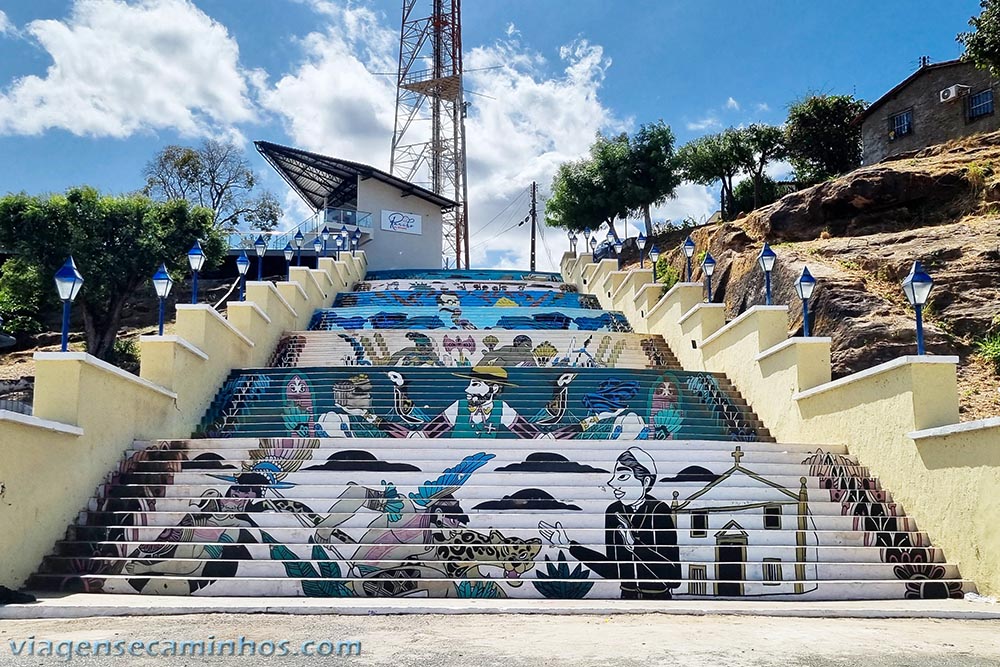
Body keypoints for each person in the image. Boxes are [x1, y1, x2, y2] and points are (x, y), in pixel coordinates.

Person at [539, 447, 681, 599]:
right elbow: (612, 569)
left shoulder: (658, 512)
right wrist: (570, 545)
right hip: (626, 597)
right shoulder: (614, 512)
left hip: (657, 598)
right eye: (614, 476)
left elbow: (673, 578)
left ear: (645, 481)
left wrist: (635, 546)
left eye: (623, 477)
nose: (612, 483)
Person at [420, 366, 548, 439]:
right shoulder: (459, 406)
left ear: (494, 388)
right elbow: (428, 434)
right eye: (470, 384)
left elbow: (531, 435)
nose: (467, 389)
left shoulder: (502, 408)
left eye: (476, 384)